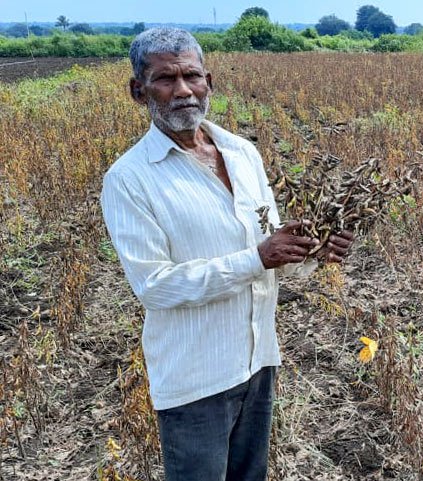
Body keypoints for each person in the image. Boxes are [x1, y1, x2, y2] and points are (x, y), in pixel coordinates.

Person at [100, 27, 353, 481]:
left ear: (209, 82)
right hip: (195, 379)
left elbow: (273, 252)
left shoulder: (241, 153)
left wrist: (314, 252)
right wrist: (258, 256)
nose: (182, 91)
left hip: (258, 361)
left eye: (191, 76)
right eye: (164, 79)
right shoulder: (129, 179)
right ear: (138, 91)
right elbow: (155, 287)